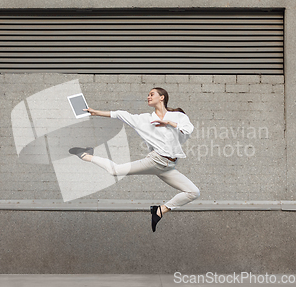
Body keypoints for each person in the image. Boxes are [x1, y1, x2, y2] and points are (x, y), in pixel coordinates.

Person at [69, 87, 200, 232]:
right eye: (148, 95)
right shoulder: (144, 120)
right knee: (115, 171)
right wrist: (95, 112)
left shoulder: (178, 116)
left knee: (193, 192)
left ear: (162, 97)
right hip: (155, 161)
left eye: (152, 94)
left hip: (169, 167)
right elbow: (120, 114)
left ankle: (160, 210)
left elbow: (188, 129)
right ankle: (86, 155)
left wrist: (168, 123)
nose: (148, 97)